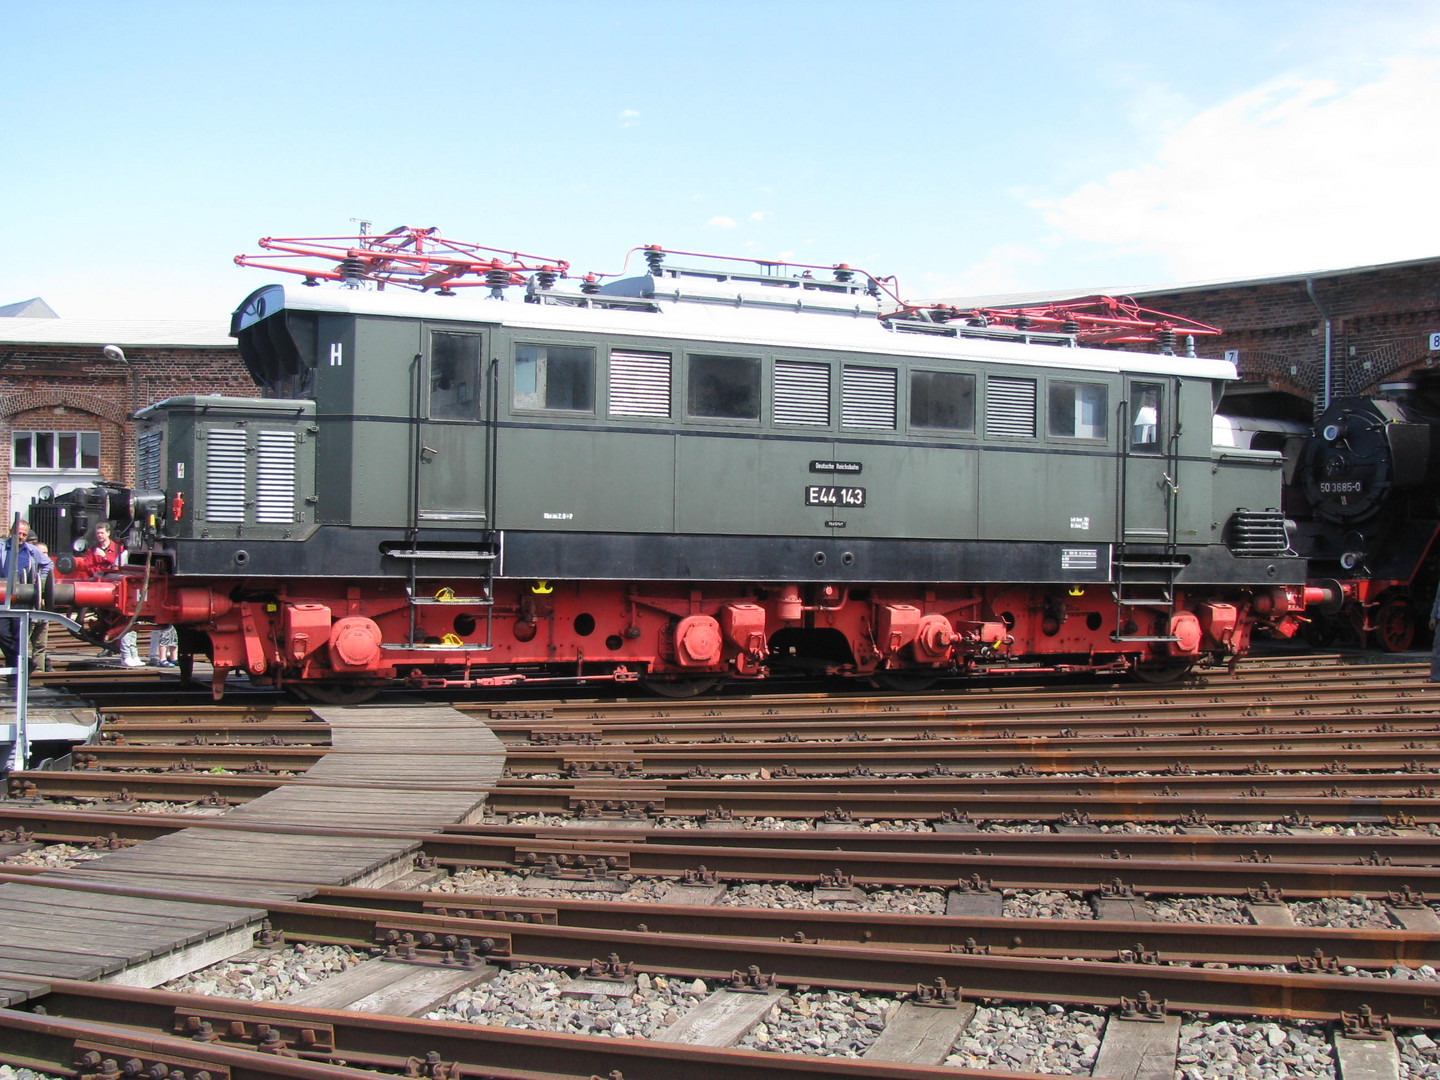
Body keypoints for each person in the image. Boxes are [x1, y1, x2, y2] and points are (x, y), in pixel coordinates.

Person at [75, 522, 142, 667]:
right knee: (110, 620)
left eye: (101, 533)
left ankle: (127, 652)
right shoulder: (92, 550)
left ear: (108, 533)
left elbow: (118, 565)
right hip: (99, 586)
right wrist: (99, 572)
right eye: (97, 533)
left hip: (115, 587)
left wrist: (104, 557)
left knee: (125, 621)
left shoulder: (117, 549)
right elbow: (88, 566)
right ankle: (112, 647)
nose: (99, 536)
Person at [0, 519, 53, 681]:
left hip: (22, 600)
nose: (21, 537)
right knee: (2, 633)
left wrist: (39, 585)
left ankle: (15, 676)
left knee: (18, 636)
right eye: (19, 533)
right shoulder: (2, 548)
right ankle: (25, 664)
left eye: (24, 534)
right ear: (11, 532)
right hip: (2, 599)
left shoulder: (31, 551)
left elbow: (48, 564)